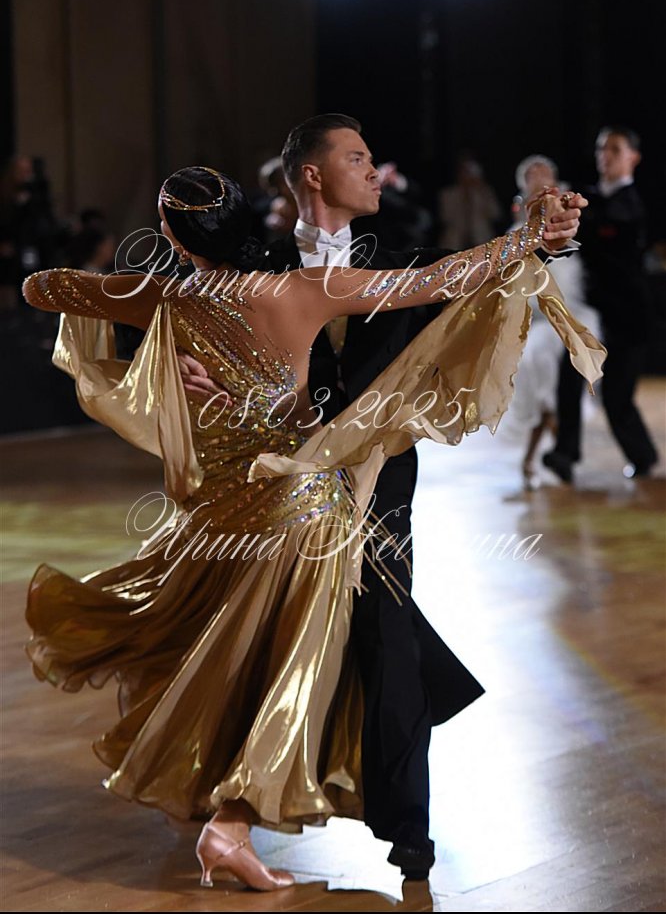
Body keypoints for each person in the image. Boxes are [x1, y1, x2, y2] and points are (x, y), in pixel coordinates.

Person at [21, 165, 603, 893]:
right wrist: (526, 238)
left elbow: (41, 287)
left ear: (171, 234)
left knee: (230, 655)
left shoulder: (164, 296)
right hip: (304, 513)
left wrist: (157, 328)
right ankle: (228, 825)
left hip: (220, 515)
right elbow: (440, 279)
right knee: (288, 671)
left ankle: (218, 811)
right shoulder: (304, 291)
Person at [176, 116, 589, 880]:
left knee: (388, 634)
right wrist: (209, 383)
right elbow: (232, 368)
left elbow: (472, 274)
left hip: (381, 480)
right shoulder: (259, 268)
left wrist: (545, 238)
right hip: (291, 485)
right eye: (357, 158)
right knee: (285, 640)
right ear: (311, 174)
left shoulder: (396, 259)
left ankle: (408, 828)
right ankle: (224, 805)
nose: (374, 170)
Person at [543, 126, 660, 482]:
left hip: (627, 317)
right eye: (600, 148)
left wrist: (578, 217)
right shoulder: (591, 199)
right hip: (591, 313)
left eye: (614, 149)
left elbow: (604, 234)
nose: (604, 156)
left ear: (633, 157)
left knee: (616, 397)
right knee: (569, 376)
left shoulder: (630, 205)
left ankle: (643, 457)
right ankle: (565, 453)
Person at [500, 154, 601, 489]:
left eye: (545, 173)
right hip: (536, 325)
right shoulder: (517, 234)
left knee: (559, 379)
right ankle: (556, 455)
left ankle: (556, 455)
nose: (540, 177)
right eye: (533, 174)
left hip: (572, 318)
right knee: (542, 377)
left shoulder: (573, 217)